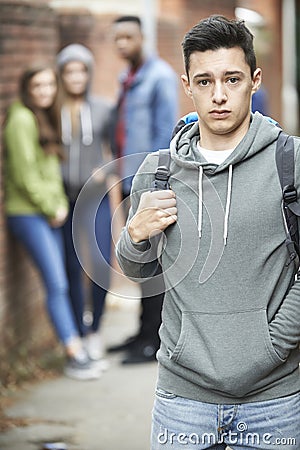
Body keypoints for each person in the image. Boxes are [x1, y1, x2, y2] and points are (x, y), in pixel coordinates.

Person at [116, 15, 300, 450]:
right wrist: (135, 235)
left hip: (274, 402)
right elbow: (138, 273)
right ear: (187, 85)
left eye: (232, 78)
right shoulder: (158, 171)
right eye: (205, 81)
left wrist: (273, 345)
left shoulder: (291, 163)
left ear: (254, 81)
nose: (219, 95)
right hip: (182, 399)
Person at [4, 63, 102, 380]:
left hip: (48, 212)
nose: (45, 92)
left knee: (62, 278)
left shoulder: (42, 116)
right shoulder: (20, 120)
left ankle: (78, 349)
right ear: (27, 90)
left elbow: (50, 174)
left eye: (49, 86)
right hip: (28, 214)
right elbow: (25, 175)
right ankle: (74, 354)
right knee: (57, 281)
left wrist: (58, 204)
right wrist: (52, 206)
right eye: (38, 87)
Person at [109, 15, 179, 364]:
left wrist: (158, 184)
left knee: (153, 263)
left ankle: (154, 340)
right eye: (117, 38)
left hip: (148, 183)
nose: (122, 44)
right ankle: (141, 331)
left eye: (128, 37)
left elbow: (167, 135)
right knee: (137, 259)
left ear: (142, 37)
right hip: (127, 179)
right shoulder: (127, 78)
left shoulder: (160, 77)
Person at [56, 44, 117, 364]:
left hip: (97, 199)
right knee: (71, 267)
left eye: (81, 70)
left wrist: (105, 170)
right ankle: (80, 330)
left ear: (89, 73)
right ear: (62, 75)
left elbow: (118, 150)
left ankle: (96, 331)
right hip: (64, 200)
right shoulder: (55, 109)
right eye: (69, 70)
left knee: (102, 265)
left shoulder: (104, 108)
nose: (76, 77)